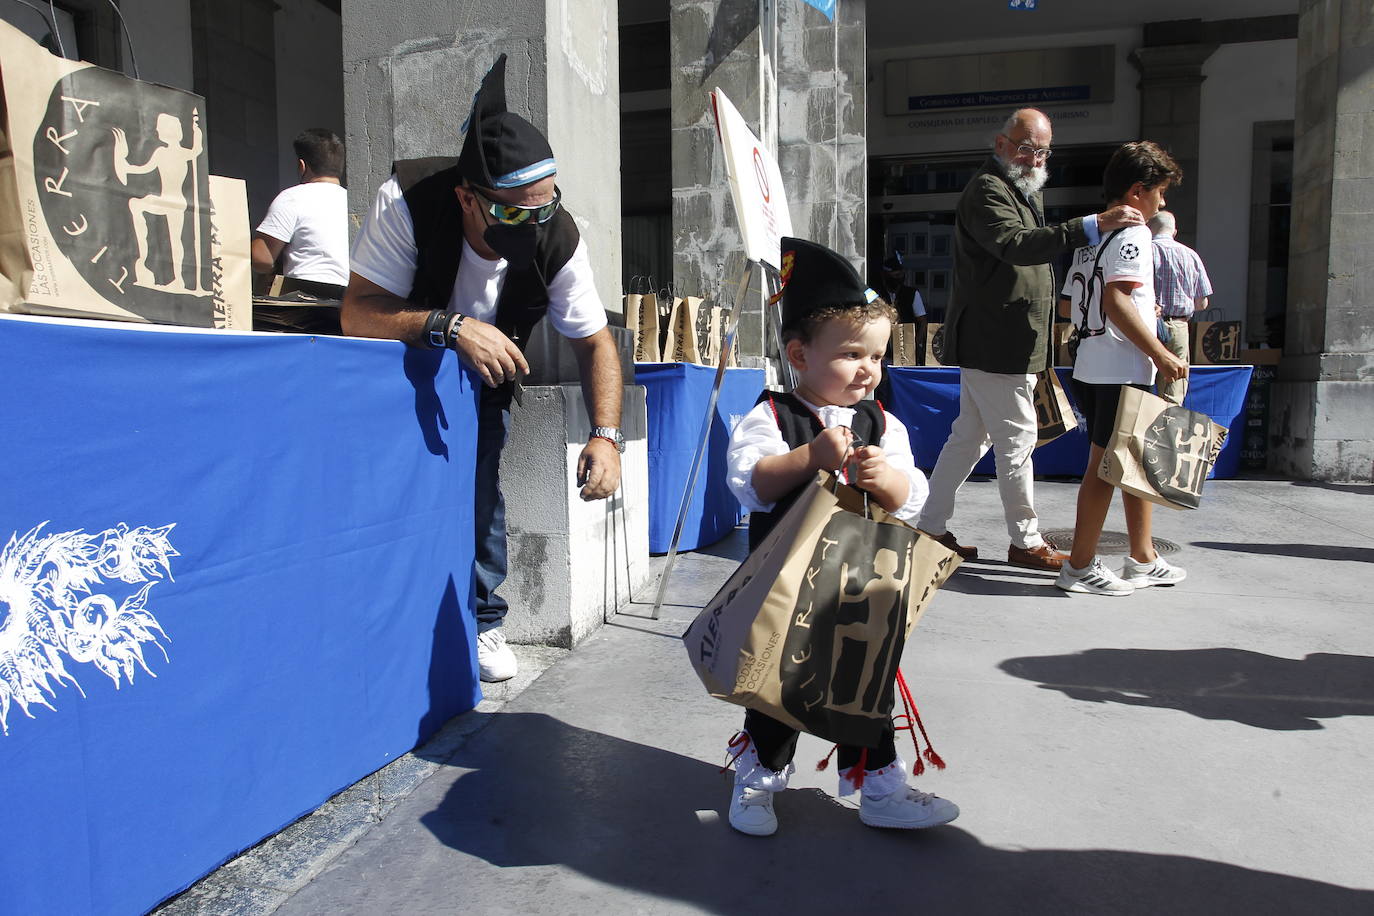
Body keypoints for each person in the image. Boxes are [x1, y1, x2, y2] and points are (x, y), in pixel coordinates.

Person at [341, 56, 624, 681]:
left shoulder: (557, 235)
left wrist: (606, 437)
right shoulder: (409, 201)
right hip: (398, 377)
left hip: (482, 387)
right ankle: (390, 622)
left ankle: (485, 621)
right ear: (468, 197)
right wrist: (449, 326)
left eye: (546, 207)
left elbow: (595, 343)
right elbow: (358, 313)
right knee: (395, 500)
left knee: (480, 498)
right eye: (517, 212)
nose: (537, 222)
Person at [722, 236, 957, 837]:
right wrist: (808, 457)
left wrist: (892, 484)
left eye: (877, 357)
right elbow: (752, 482)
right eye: (852, 354)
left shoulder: (883, 421)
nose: (868, 370)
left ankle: (879, 785)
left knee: (865, 686)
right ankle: (758, 780)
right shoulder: (773, 415)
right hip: (787, 588)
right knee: (778, 686)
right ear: (799, 353)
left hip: (860, 584)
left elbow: (915, 491)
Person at [917, 108, 1144, 571]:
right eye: (1026, 147)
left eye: (1042, 150)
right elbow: (1017, 245)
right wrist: (1091, 225)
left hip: (1005, 341)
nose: (1035, 158)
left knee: (969, 439)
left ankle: (931, 527)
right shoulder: (988, 190)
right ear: (1001, 145)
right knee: (1017, 441)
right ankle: (1025, 541)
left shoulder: (1014, 187)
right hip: (997, 343)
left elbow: (1026, 251)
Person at [1057, 141, 1188, 597]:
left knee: (1132, 462)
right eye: (1160, 192)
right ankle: (1078, 566)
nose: (1163, 202)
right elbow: (1115, 301)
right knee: (1106, 467)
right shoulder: (1133, 234)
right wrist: (1161, 353)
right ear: (1138, 190)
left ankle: (1142, 556)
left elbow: (1077, 301)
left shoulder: (1096, 234)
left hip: (1094, 361)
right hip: (1120, 365)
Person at [252, 128, 350, 296]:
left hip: (306, 302)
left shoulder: (292, 198)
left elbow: (262, 258)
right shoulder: (354, 203)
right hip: (349, 302)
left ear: (302, 165)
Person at [1149, 210, 1213, 405]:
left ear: (1149, 228)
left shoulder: (1144, 251)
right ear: (1174, 231)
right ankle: (1164, 433)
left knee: (1138, 388)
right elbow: (1202, 303)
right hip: (1178, 327)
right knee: (1173, 393)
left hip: (1146, 325)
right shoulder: (1191, 255)